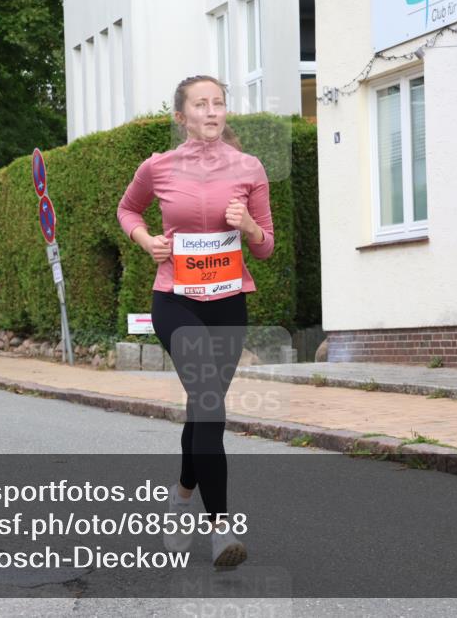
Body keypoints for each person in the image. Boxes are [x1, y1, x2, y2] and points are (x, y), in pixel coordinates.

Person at [117, 75, 274, 569]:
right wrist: (147, 241)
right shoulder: (158, 167)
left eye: (219, 103)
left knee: (203, 410)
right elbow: (127, 210)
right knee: (208, 404)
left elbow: (266, 246)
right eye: (200, 105)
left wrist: (248, 226)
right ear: (181, 116)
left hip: (228, 302)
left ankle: (182, 500)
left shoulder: (249, 168)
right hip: (175, 300)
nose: (212, 111)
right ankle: (221, 531)